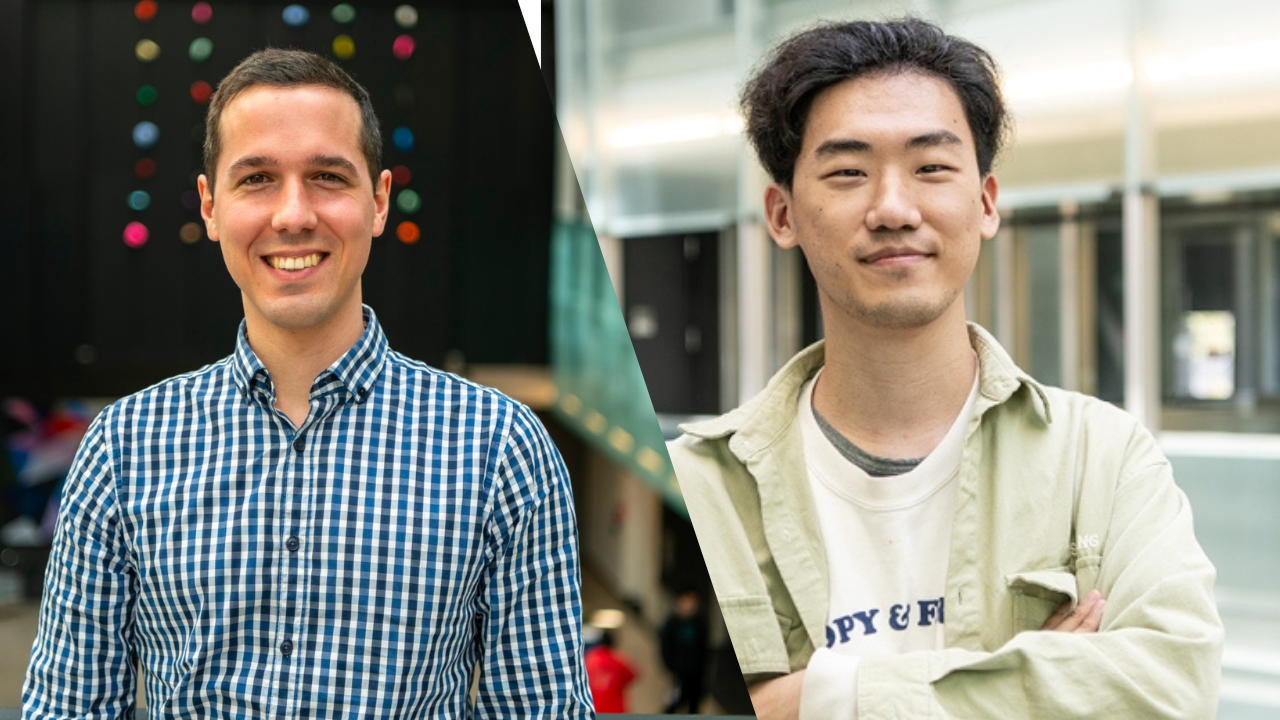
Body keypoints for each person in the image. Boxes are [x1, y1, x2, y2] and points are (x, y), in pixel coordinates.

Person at [669, 18, 1222, 720]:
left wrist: (819, 697)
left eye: (931, 168)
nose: (894, 209)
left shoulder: (1103, 460)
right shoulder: (700, 487)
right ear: (783, 216)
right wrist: (1034, 682)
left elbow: (1171, 691)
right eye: (847, 172)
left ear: (985, 203)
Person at [23, 49, 593, 719]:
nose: (293, 215)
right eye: (258, 178)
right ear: (210, 206)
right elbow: (67, 708)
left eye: (327, 176)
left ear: (378, 202)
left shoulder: (501, 448)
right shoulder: (123, 449)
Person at [659, 589, 708, 713]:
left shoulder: (699, 624)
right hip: (678, 674)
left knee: (694, 707)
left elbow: (704, 650)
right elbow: (665, 648)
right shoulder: (671, 624)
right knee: (673, 705)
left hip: (695, 675)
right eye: (686, 601)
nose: (689, 605)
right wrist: (671, 669)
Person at [584, 630, 638, 713]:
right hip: (615, 711)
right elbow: (632, 676)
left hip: (593, 709)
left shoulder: (589, 659)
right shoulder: (617, 660)